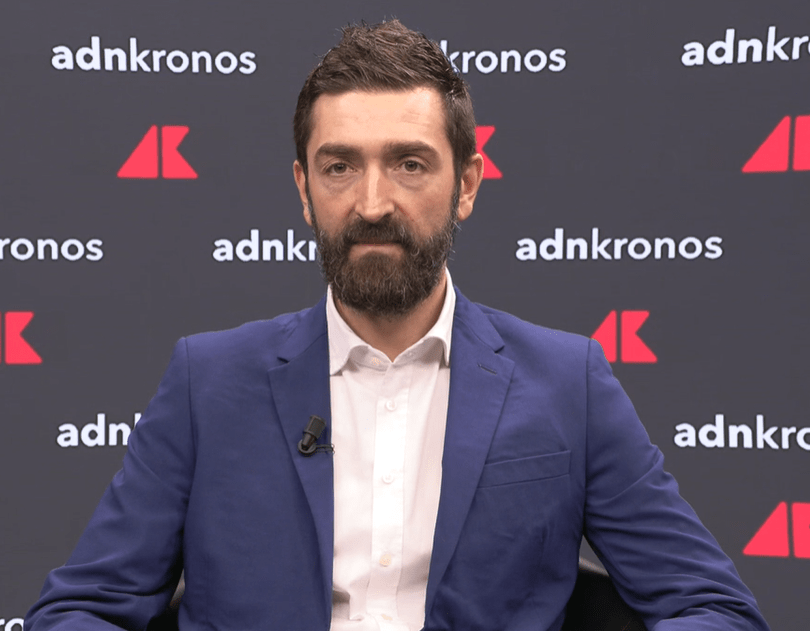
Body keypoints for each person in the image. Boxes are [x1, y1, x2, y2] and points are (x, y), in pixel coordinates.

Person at [26, 19, 769, 631]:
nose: (373, 203)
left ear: (467, 183)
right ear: (304, 189)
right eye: (340, 167)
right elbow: (81, 609)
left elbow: (713, 607)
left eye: (409, 164)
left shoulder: (567, 382)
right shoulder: (206, 382)